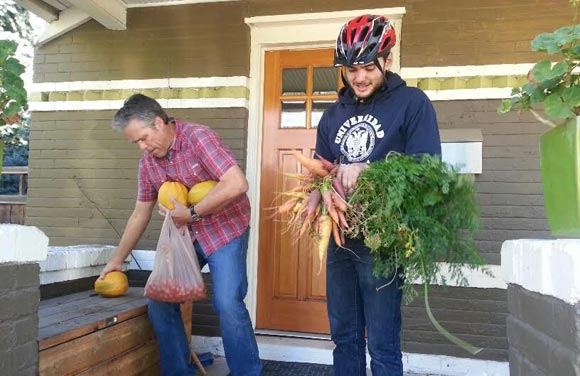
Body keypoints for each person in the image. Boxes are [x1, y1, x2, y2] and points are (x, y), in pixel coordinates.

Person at [99, 94, 262, 376]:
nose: (142, 147)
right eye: (136, 142)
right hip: (185, 237)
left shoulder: (198, 138)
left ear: (160, 122)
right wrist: (117, 259)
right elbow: (140, 213)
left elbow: (237, 183)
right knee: (159, 301)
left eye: (144, 138)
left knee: (226, 302)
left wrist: (194, 213)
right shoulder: (148, 164)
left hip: (225, 230)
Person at [315, 15, 441, 376]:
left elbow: (428, 168)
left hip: (384, 239)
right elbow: (321, 170)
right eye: (351, 68)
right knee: (344, 337)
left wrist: (369, 168)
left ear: (387, 60)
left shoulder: (412, 103)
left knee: (383, 344)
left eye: (368, 66)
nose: (359, 77)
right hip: (341, 240)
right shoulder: (332, 115)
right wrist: (324, 185)